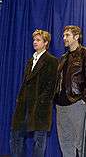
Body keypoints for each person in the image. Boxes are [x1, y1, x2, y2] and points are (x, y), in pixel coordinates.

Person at [10, 29, 58, 157]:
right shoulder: (31, 60)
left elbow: (51, 85)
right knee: (16, 135)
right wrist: (20, 99)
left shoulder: (51, 60)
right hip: (24, 106)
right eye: (34, 40)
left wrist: (42, 101)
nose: (34, 42)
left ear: (46, 43)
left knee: (39, 140)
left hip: (40, 107)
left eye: (38, 40)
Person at [54, 25, 86, 157]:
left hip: (77, 104)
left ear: (76, 37)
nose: (64, 38)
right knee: (65, 142)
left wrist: (83, 98)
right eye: (63, 35)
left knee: (81, 142)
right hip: (60, 106)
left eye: (67, 35)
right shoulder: (63, 58)